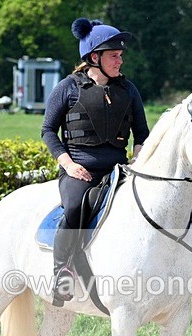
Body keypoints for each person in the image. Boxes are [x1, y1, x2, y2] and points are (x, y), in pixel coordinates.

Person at [41, 17, 150, 306]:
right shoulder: (67, 87)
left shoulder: (129, 91)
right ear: (94, 57)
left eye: (120, 55)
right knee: (75, 206)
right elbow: (48, 130)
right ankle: (61, 272)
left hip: (118, 170)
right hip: (79, 170)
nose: (120, 61)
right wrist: (68, 164)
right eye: (114, 55)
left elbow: (142, 135)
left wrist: (136, 160)